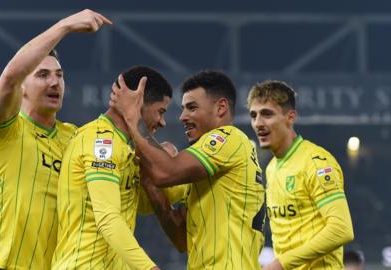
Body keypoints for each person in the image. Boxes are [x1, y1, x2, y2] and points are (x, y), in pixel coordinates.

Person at [0, 9, 112, 270]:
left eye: (59, 75)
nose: (55, 82)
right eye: (42, 75)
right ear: (21, 88)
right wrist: (65, 26)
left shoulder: (75, 138)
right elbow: (10, 76)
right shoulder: (5, 130)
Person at [110, 70, 266, 269]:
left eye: (192, 108)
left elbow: (165, 172)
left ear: (221, 107)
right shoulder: (207, 170)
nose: (183, 116)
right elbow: (180, 239)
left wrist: (132, 115)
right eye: (183, 109)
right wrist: (149, 181)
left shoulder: (228, 138)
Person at [51, 65, 182, 270]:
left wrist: (177, 175)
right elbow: (108, 217)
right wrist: (149, 268)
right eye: (161, 111)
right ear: (138, 101)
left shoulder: (124, 149)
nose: (162, 122)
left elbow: (143, 205)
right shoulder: (101, 141)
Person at [247, 80, 354, 270]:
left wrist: (282, 263)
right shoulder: (271, 168)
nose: (258, 123)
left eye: (267, 114)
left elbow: (341, 229)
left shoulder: (316, 162)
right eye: (253, 115)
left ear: (290, 117)